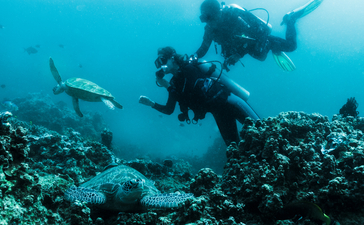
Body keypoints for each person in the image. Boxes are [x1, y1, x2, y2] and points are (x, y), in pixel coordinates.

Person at [139, 46, 259, 145]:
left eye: (163, 60)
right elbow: (169, 109)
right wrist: (152, 104)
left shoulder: (188, 68)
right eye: (158, 63)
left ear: (172, 58)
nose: (161, 65)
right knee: (235, 150)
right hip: (219, 113)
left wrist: (167, 86)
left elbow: (189, 92)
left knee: (263, 131)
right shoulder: (174, 84)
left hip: (230, 101)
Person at [192, 0, 324, 71]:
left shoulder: (234, 16)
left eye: (211, 18)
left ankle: (291, 19)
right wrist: (193, 57)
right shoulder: (210, 29)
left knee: (291, 46)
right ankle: (273, 48)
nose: (209, 23)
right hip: (247, 47)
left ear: (218, 13)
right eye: (205, 19)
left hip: (260, 38)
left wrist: (239, 53)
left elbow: (261, 31)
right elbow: (203, 48)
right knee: (260, 56)